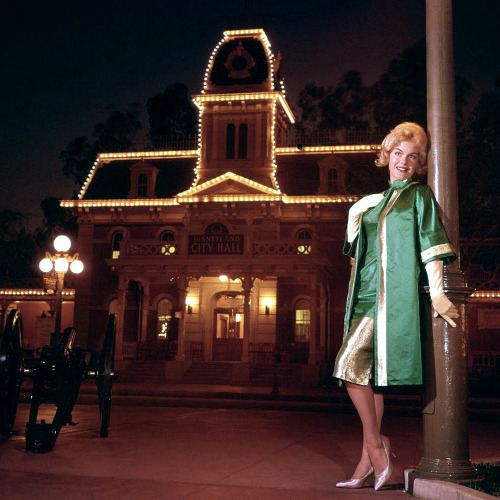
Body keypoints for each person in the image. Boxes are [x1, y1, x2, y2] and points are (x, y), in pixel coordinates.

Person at [332, 122, 459, 491]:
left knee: (347, 364)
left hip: (390, 298)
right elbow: (358, 248)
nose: (404, 162)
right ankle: (364, 463)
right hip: (363, 296)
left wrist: (437, 291)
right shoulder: (378, 200)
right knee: (369, 378)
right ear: (387, 155)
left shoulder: (418, 196)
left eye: (413, 157)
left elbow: (430, 242)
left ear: (419, 164)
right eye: (398, 153)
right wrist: (357, 211)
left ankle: (377, 447)